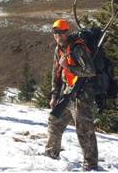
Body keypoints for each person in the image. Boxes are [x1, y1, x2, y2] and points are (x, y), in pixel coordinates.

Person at [45, 19, 98, 170]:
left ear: (67, 32)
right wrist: (54, 95)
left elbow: (90, 71)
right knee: (54, 120)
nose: (58, 36)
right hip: (68, 92)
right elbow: (56, 73)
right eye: (55, 33)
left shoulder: (78, 48)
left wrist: (69, 67)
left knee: (84, 130)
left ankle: (91, 165)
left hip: (83, 93)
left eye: (61, 32)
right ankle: (51, 155)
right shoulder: (59, 49)